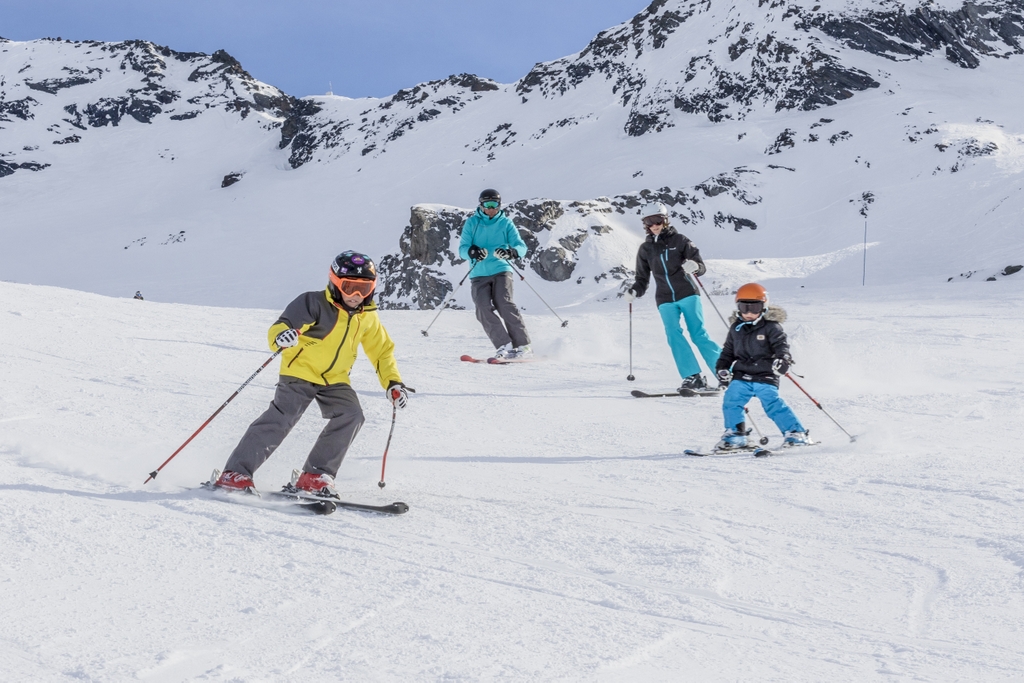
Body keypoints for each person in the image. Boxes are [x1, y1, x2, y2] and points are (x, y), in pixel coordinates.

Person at [213, 251, 408, 497]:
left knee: (352, 415)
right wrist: (281, 337)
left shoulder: (367, 316)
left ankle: (314, 475)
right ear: (335, 282)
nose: (357, 296)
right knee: (283, 417)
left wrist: (392, 382)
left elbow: (382, 352)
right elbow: (282, 326)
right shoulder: (313, 302)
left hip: (335, 379)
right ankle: (235, 473)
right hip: (300, 372)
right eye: (350, 287)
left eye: (364, 288)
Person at [625, 202, 722, 391]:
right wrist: (635, 290)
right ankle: (693, 377)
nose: (654, 225)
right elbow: (642, 279)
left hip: (687, 293)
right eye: (649, 221)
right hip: (664, 299)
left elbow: (699, 265)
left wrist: (695, 266)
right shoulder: (645, 249)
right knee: (673, 335)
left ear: (665, 219)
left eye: (657, 220)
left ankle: (724, 372)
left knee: (698, 334)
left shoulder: (680, 240)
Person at [713, 283, 810, 450]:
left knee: (772, 403)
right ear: (738, 307)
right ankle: (736, 435)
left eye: (755, 308)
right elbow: (728, 352)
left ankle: (796, 433)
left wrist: (783, 360)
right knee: (731, 400)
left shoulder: (771, 327)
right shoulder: (736, 328)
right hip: (741, 374)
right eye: (744, 307)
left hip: (765, 374)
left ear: (764, 307)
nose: (749, 313)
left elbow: (782, 346)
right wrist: (722, 368)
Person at [458, 188, 532, 359]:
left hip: (501, 269)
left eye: (495, 204)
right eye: (487, 204)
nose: (491, 208)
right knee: (482, 308)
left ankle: (523, 345)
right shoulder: (472, 223)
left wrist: (511, 253)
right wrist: (473, 252)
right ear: (481, 205)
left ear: (499, 205)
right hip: (478, 272)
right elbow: (462, 248)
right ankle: (504, 345)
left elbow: (521, 246)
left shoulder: (505, 223)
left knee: (504, 303)